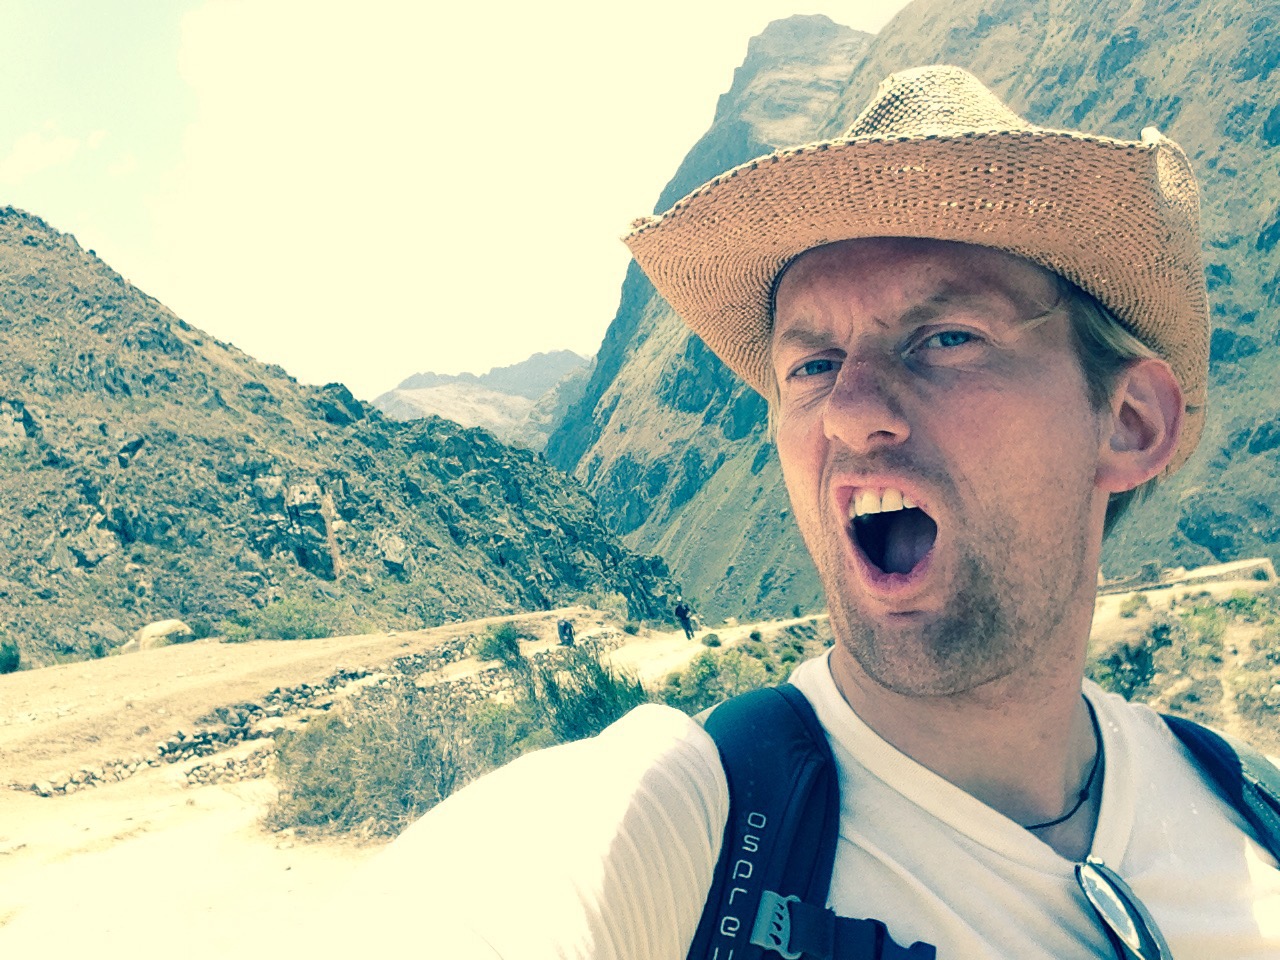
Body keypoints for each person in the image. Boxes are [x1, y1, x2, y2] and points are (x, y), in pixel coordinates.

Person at [347, 66, 1280, 957]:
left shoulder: (1251, 815)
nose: (849, 411)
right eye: (813, 365)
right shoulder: (694, 829)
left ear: (1128, 421)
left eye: (946, 338)